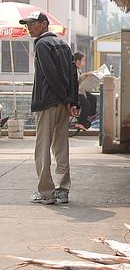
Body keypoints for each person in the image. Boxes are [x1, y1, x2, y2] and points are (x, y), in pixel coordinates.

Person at [20, 11, 79, 204]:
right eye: (27, 24)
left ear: (44, 24)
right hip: (63, 104)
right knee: (61, 146)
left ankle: (46, 192)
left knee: (42, 147)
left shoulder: (42, 44)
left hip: (47, 103)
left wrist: (63, 97)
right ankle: (63, 190)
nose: (29, 27)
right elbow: (73, 75)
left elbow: (50, 74)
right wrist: (71, 101)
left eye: (33, 24)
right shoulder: (63, 44)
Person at [73, 52, 97, 130]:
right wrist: (86, 74)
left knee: (93, 98)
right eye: (83, 60)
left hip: (80, 90)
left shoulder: (78, 69)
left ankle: (89, 115)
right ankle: (80, 122)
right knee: (86, 105)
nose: (85, 62)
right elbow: (77, 80)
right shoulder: (73, 69)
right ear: (78, 61)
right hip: (76, 92)